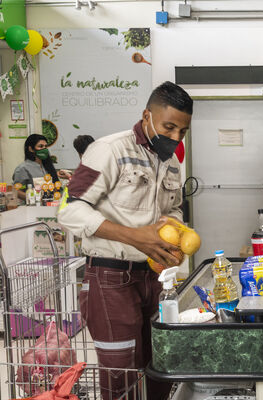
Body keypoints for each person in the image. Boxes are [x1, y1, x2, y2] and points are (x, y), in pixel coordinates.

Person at [57, 81, 192, 400]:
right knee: (121, 372)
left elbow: (173, 208)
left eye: (182, 132)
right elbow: (71, 210)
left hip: (155, 278)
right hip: (110, 280)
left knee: (160, 363)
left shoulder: (171, 162)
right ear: (147, 115)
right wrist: (135, 237)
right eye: (168, 127)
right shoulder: (109, 150)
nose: (174, 138)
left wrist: (173, 233)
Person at [12, 134, 64, 200]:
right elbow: (16, 191)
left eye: (45, 146)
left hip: (50, 205)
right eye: (40, 146)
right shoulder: (23, 168)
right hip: (33, 207)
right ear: (31, 149)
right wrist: (33, 198)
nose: (44, 149)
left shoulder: (47, 166)